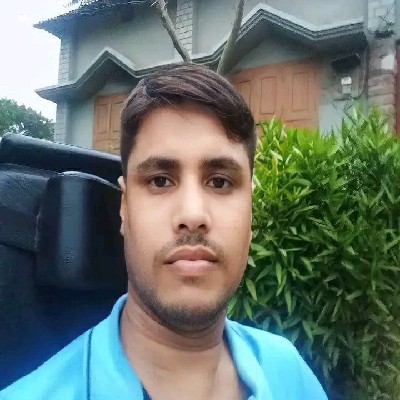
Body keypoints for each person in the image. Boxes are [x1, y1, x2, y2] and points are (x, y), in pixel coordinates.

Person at [0, 64, 327, 400]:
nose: (192, 215)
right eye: (160, 181)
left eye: (220, 182)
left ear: (250, 209)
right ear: (124, 207)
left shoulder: (290, 374)